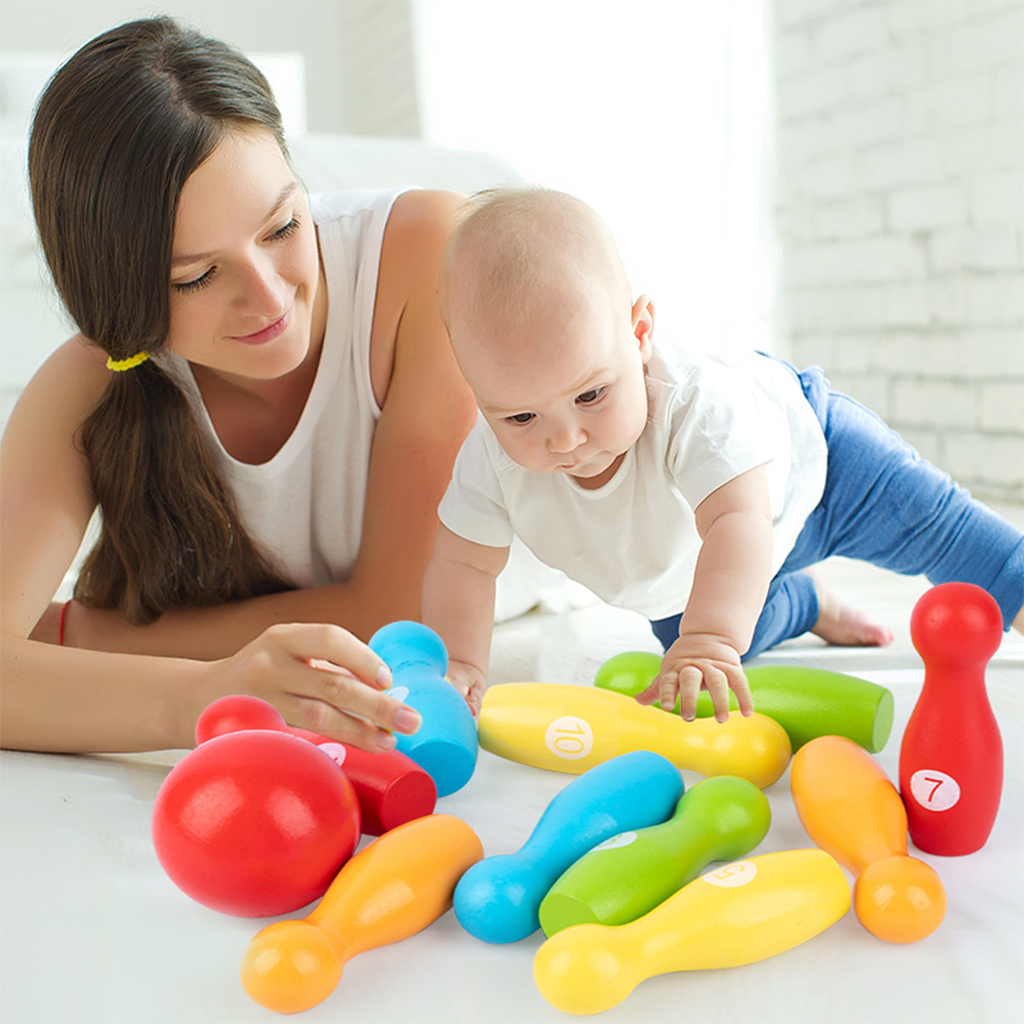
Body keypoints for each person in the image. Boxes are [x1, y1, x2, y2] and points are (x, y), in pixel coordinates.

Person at [0, 17, 480, 753]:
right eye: (196, 275)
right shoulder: (91, 381)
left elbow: (407, 611)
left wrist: (76, 635)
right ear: (117, 291)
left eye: (283, 226)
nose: (269, 297)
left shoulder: (425, 255)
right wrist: (207, 694)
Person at [422, 186, 1024, 721]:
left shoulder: (695, 406)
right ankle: (805, 602)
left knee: (957, 539)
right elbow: (464, 565)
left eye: (591, 394)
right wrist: (460, 662)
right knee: (699, 661)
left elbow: (737, 519)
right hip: (700, 565)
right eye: (520, 416)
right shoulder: (490, 462)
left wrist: (709, 635)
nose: (565, 440)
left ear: (639, 335)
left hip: (820, 466)